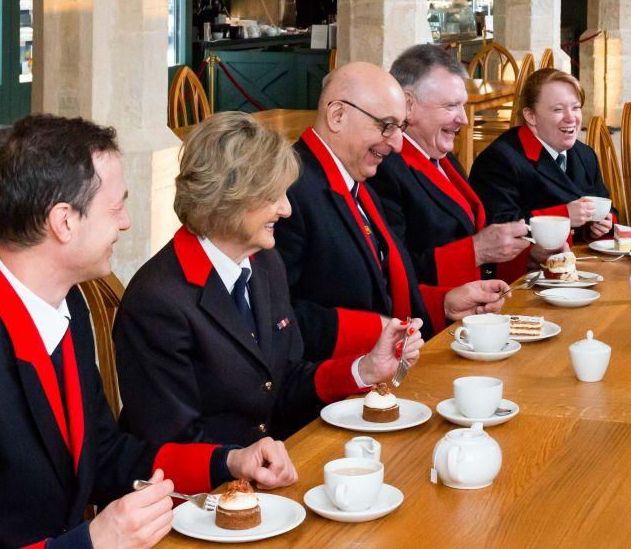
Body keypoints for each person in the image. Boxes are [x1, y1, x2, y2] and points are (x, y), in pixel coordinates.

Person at [0, 114, 298, 548]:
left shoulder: (67, 303)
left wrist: (227, 462)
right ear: (64, 222)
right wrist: (92, 542)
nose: (126, 223)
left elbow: (103, 453)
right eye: (115, 208)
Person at [114, 112, 425, 447]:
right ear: (227, 196)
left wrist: (364, 369)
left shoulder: (264, 263)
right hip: (201, 494)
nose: (287, 209)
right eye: (273, 196)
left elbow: (285, 380)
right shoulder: (157, 301)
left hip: (267, 468)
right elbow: (171, 445)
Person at [274, 62, 511, 361]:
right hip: (331, 389)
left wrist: (444, 304)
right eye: (386, 126)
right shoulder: (288, 189)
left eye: (399, 127)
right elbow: (276, 317)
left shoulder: (356, 181)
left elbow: (383, 288)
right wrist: (375, 331)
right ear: (337, 115)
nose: (398, 144)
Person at [370, 44, 557, 305]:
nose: (464, 119)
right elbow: (393, 272)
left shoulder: (441, 157)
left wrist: (522, 256)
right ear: (408, 106)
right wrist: (477, 251)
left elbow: (468, 239)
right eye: (451, 106)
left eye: (463, 105)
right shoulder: (385, 170)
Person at [468, 68, 615, 243]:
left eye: (576, 108)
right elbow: (498, 227)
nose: (571, 118)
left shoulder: (585, 154)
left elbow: (610, 209)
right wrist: (563, 215)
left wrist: (602, 225)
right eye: (558, 110)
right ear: (530, 116)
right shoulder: (499, 160)